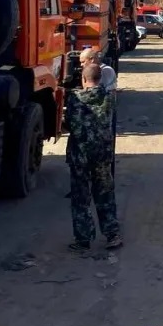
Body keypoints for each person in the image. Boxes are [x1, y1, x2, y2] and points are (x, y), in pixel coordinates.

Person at [64, 63, 122, 252]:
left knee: (81, 198)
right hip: (102, 155)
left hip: (80, 155)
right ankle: (112, 235)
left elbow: (70, 124)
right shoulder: (109, 98)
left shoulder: (75, 98)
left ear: (83, 79)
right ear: (100, 79)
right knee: (105, 194)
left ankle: (83, 240)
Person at [79, 47, 118, 176]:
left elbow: (98, 93)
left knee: (104, 162)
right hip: (97, 120)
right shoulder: (92, 70)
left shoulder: (105, 71)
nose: (81, 65)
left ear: (92, 59)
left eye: (83, 61)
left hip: (103, 119)